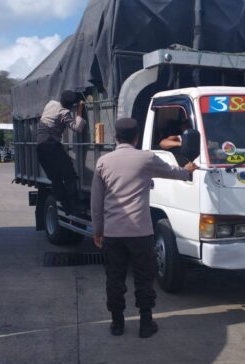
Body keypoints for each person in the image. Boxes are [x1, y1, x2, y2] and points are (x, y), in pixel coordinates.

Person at [91, 118, 198, 338]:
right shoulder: (146, 158)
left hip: (113, 233)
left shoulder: (103, 162)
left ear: (116, 137)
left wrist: (98, 230)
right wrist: (187, 170)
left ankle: (117, 324)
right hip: (141, 233)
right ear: (136, 137)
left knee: (115, 278)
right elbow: (173, 172)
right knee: (143, 278)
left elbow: (96, 202)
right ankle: (146, 324)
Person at [36, 90, 86, 213]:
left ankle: (65, 205)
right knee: (69, 174)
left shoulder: (51, 103)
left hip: (40, 148)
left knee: (56, 178)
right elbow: (77, 128)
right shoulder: (64, 112)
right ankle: (73, 204)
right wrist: (79, 111)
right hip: (51, 145)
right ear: (70, 106)